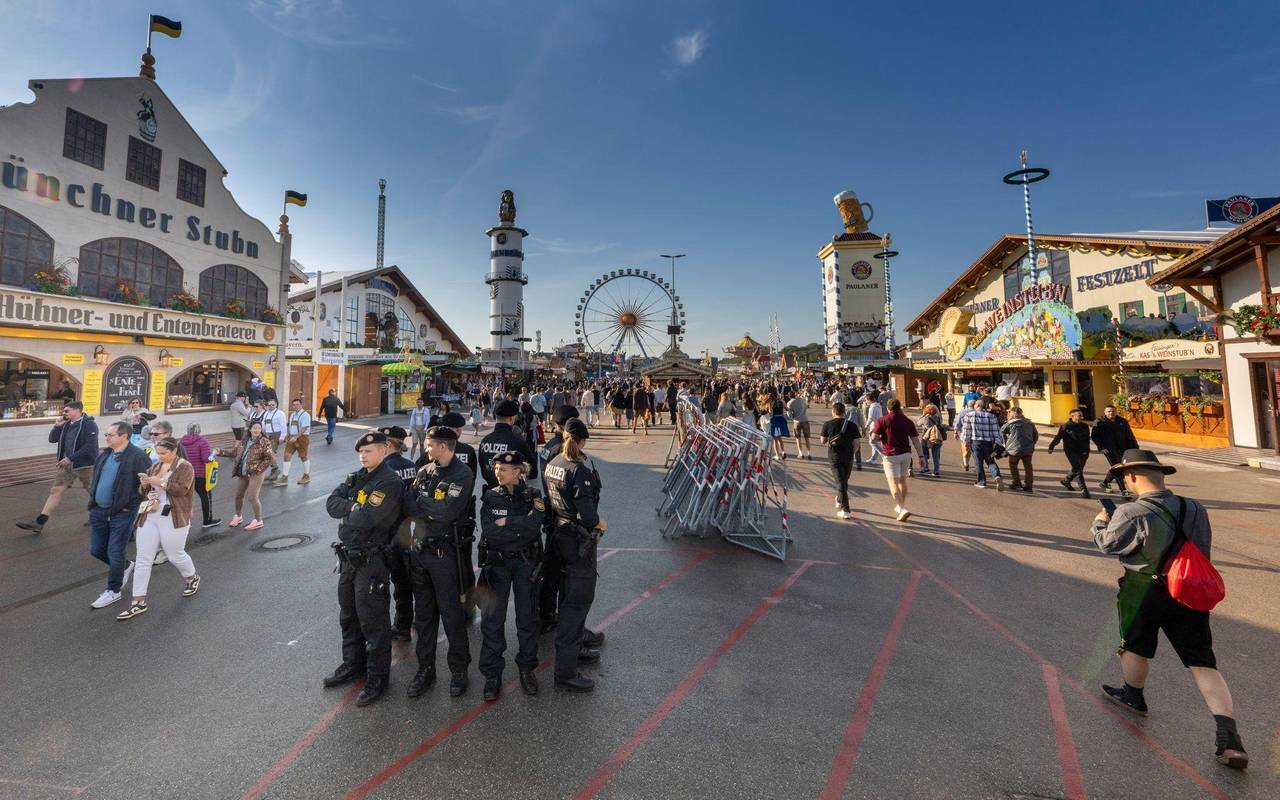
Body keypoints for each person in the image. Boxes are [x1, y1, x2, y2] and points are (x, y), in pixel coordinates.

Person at [1091, 449, 1248, 770]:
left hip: (1141, 588)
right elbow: (1201, 549)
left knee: (1135, 645)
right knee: (1202, 660)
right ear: (1161, 476)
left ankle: (1133, 695)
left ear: (1131, 477)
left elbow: (1108, 544)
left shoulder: (1130, 511)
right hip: (1186, 588)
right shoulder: (1195, 508)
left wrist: (1098, 524)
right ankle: (1229, 736)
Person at [322, 431, 405, 707]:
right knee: (348, 616)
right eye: (361, 451)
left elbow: (369, 517)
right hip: (348, 559)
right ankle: (352, 665)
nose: (363, 455)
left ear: (385, 451)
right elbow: (331, 503)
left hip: (372, 561)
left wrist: (351, 511)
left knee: (373, 623)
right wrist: (352, 507)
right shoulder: (357, 477)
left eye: (369, 451)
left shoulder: (389, 481)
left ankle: (377, 678)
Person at [400, 426, 475, 699]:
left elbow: (447, 512)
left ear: (443, 446)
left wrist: (422, 503)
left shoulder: (462, 475)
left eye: (429, 445)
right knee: (424, 617)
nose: (425, 449)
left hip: (445, 557)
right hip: (421, 554)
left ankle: (458, 670)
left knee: (452, 615)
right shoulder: (425, 471)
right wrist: (425, 503)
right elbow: (408, 505)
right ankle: (425, 670)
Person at [477, 450, 544, 699]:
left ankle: (527, 668)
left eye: (503, 470)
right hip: (498, 565)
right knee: (493, 621)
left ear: (517, 472)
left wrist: (508, 523)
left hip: (526, 563)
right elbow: (489, 531)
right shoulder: (491, 496)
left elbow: (535, 524)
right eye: (496, 469)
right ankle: (492, 675)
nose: (498, 472)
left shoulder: (533, 495)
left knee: (527, 619)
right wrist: (519, 524)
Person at [543, 418, 603, 692]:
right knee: (576, 603)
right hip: (577, 540)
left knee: (566, 595)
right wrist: (600, 523)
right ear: (581, 441)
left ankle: (575, 650)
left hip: (559, 535)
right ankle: (566, 671)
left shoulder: (553, 463)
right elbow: (589, 516)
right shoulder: (578, 470)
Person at [116, 436, 201, 620]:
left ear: (174, 451)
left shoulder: (185, 466)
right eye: (158, 453)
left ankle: (192, 577)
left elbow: (182, 490)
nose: (160, 456)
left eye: (163, 453)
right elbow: (144, 492)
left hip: (174, 515)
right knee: (143, 558)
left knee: (174, 554)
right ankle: (138, 602)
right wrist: (145, 485)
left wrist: (160, 482)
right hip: (150, 513)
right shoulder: (155, 467)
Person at [86, 421, 152, 609]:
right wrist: (93, 503)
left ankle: (113, 590)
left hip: (122, 513)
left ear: (124, 436)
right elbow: (97, 479)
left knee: (115, 551)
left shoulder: (137, 456)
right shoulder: (105, 455)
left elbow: (145, 486)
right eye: (106, 434)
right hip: (99, 510)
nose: (106, 437)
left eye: (110, 435)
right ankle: (124, 566)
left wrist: (130, 506)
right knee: (97, 550)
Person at [17, 401, 99, 534]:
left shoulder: (89, 424)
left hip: (85, 465)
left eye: (67, 411)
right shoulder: (66, 424)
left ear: (77, 410)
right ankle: (39, 522)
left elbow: (90, 446)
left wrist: (70, 458)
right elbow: (52, 439)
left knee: (92, 491)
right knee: (55, 491)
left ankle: (102, 515)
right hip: (66, 465)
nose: (64, 413)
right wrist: (57, 426)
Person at [376, 425, 420, 642]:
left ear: (387, 445)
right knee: (407, 580)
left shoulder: (383, 468)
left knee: (386, 582)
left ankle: (399, 625)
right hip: (407, 530)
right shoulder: (411, 466)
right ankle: (412, 621)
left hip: (386, 533)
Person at [870, 398, 924, 522]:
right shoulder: (907, 421)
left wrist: (882, 438)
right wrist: (921, 456)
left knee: (893, 483)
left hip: (891, 455)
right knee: (902, 481)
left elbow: (874, 438)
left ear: (888, 408)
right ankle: (901, 506)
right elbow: (916, 440)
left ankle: (902, 507)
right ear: (899, 407)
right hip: (906, 454)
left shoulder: (882, 420)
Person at [215, 420, 274, 530]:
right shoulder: (245, 440)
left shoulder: (264, 441)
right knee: (238, 495)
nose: (257, 430)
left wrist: (258, 469)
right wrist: (221, 452)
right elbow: (234, 452)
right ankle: (238, 516)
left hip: (256, 473)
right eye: (255, 428)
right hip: (243, 472)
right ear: (250, 429)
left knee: (252, 497)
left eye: (259, 428)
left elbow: (269, 458)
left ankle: (258, 520)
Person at [479, 400, 539, 490]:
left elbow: (483, 467)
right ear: (512, 419)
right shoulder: (518, 442)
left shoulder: (485, 441)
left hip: (490, 494)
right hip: (512, 495)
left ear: (496, 416)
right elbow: (532, 472)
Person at [820, 402, 858, 520]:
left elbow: (822, 441)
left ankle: (845, 509)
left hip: (834, 456)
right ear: (844, 412)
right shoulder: (852, 425)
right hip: (848, 457)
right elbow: (857, 443)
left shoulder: (827, 424)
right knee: (844, 480)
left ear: (833, 412)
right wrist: (852, 453)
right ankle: (844, 505)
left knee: (841, 482)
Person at [1092, 404, 1139, 498]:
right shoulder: (1099, 422)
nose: (1111, 413)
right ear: (1105, 412)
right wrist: (1101, 447)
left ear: (1116, 412)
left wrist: (1135, 447)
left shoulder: (1122, 421)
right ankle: (1124, 491)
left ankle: (1106, 482)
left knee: (1118, 467)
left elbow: (1130, 435)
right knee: (1118, 468)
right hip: (1108, 449)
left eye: (1113, 411)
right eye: (1109, 411)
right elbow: (1094, 436)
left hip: (1123, 448)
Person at [180, 423, 221, 528]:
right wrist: (214, 452)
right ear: (199, 430)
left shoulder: (181, 442)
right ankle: (207, 521)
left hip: (185, 474)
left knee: (186, 498)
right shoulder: (202, 442)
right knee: (205, 497)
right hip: (199, 475)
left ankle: (183, 521)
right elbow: (207, 459)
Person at [959, 399, 1003, 490]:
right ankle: (996, 476)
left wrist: (965, 441)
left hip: (975, 442)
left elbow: (966, 431)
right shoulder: (991, 416)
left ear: (977, 406)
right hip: (989, 443)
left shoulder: (969, 415)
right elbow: (996, 431)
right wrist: (998, 442)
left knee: (978, 462)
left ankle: (981, 482)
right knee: (990, 461)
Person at [1048, 408, 1093, 498]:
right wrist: (1051, 446)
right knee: (1078, 469)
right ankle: (1084, 490)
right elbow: (1058, 437)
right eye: (1079, 415)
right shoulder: (1065, 426)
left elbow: (1087, 439)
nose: (1081, 417)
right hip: (1071, 450)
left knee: (1077, 469)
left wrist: (1087, 450)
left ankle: (1066, 481)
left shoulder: (1085, 426)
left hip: (1083, 451)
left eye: (1082, 415)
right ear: (1072, 416)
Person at [1001, 406, 1038, 493]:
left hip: (1014, 449)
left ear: (1012, 414)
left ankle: (1017, 482)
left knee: (1013, 465)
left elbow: (1002, 430)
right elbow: (1035, 436)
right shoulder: (1029, 423)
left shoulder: (1010, 424)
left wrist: (1005, 444)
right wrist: (1032, 443)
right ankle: (1029, 485)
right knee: (1028, 466)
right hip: (1028, 448)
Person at [276, 397, 312, 486]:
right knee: (287, 455)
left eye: (297, 404)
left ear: (301, 405)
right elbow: (290, 426)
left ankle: (306, 475)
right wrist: (287, 436)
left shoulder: (305, 415)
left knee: (303, 456)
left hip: (302, 438)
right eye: (294, 405)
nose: (295, 406)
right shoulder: (292, 415)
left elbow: (304, 428)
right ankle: (285, 477)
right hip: (292, 437)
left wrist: (296, 437)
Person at [917, 403, 945, 478]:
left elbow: (918, 423)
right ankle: (936, 471)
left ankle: (925, 467)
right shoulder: (937, 417)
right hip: (937, 437)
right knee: (936, 455)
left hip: (926, 437)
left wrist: (923, 415)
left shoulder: (925, 418)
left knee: (924, 452)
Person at [261, 399, 286, 481]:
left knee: (270, 453)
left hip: (276, 435)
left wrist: (282, 437)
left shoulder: (280, 413)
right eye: (269, 405)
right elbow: (263, 424)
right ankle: (274, 471)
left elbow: (283, 426)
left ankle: (275, 470)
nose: (271, 406)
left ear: (276, 405)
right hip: (267, 435)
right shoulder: (266, 413)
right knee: (267, 453)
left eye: (272, 405)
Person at [787, 391, 812, 459]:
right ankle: (809, 453)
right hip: (805, 419)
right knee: (807, 437)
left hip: (797, 421)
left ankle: (800, 453)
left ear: (789, 396)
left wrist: (791, 415)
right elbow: (806, 406)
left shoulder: (789, 403)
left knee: (798, 437)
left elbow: (790, 415)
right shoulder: (801, 399)